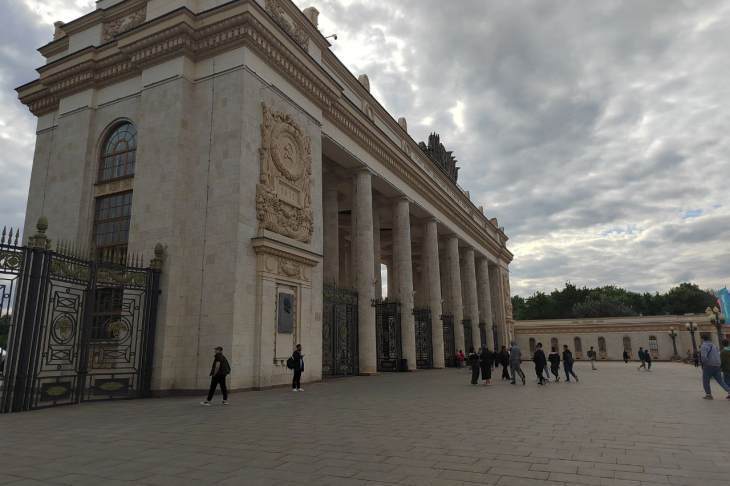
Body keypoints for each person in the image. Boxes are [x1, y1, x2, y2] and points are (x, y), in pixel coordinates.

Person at [699, 333, 730, 400]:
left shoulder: (704, 346)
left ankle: (708, 394)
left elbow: (703, 357)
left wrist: (704, 363)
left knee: (705, 381)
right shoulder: (713, 345)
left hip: (709, 365)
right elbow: (718, 354)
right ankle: (729, 391)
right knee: (721, 381)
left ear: (702, 339)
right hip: (717, 365)